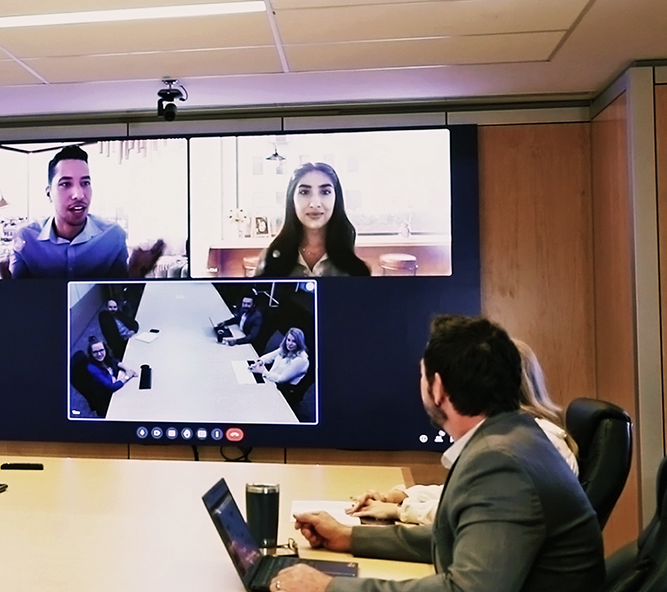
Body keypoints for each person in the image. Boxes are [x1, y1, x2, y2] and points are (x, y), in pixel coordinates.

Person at [276, 316, 604, 592]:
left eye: (422, 375)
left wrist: (329, 587)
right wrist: (350, 537)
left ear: (438, 388)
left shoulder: (503, 463)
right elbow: (455, 535)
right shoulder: (515, 438)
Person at [347, 338, 579, 526]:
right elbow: (466, 495)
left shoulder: (531, 445)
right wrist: (402, 497)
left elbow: (475, 512)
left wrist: (400, 511)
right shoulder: (518, 434)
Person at [8, 145, 164, 278]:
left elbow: (118, 300)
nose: (79, 195)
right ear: (49, 193)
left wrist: (135, 272)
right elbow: (17, 298)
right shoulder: (27, 239)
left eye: (85, 183)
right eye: (65, 184)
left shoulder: (113, 236)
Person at [256, 163, 370, 277]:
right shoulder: (270, 259)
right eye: (304, 192)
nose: (315, 204)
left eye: (325, 192)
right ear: (292, 199)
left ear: (337, 199)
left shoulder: (355, 264)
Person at [80, 336, 137, 417]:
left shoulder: (106, 358)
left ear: (105, 349)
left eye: (101, 350)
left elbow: (116, 362)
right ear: (91, 353)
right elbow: (110, 387)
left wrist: (127, 369)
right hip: (108, 398)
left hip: (116, 385)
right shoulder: (92, 368)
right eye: (95, 352)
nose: (99, 354)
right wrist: (127, 377)